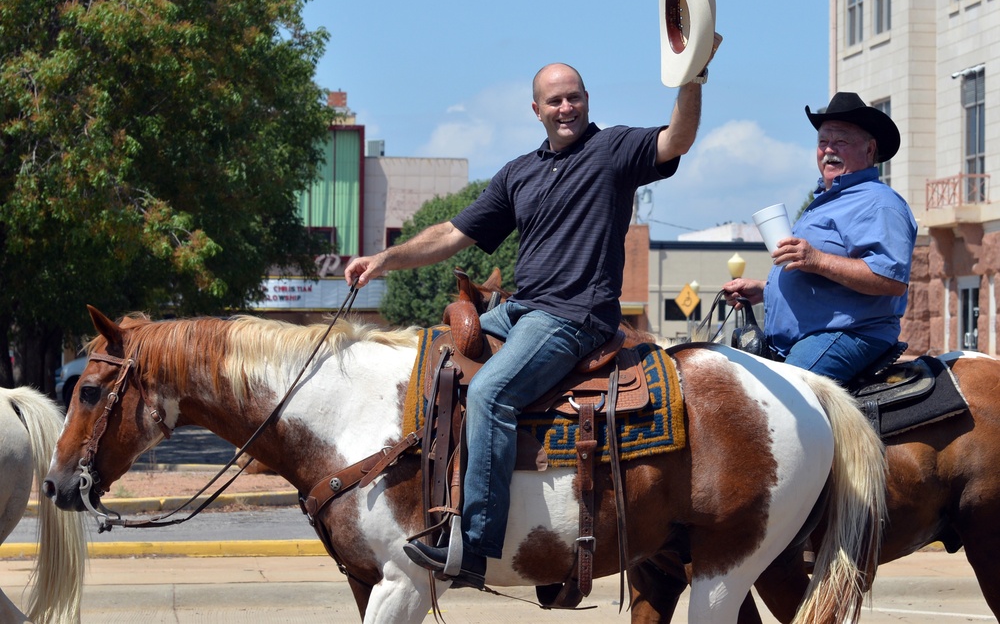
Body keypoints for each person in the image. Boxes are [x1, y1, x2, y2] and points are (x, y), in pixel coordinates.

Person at [343, 45, 721, 589]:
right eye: (555, 100)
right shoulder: (519, 173)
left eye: (575, 97)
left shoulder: (613, 150)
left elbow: (676, 139)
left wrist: (692, 78)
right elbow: (452, 234)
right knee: (428, 360)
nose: (566, 107)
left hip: (573, 316)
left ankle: (474, 543)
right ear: (536, 110)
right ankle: (422, 500)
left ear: (587, 101)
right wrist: (384, 261)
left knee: (493, 393)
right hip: (518, 310)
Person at [723, 92, 917, 384]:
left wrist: (816, 259)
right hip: (813, 336)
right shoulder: (826, 201)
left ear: (870, 149)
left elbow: (890, 280)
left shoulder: (880, 203)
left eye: (840, 141)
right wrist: (764, 290)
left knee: (785, 397)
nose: (828, 150)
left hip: (850, 334)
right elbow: (823, 283)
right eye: (822, 142)